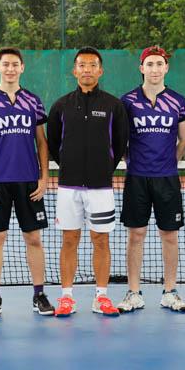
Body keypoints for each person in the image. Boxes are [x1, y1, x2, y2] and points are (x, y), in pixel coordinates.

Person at [0, 47, 55, 318]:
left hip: (29, 182)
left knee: (34, 238)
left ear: (22, 68)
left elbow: (42, 143)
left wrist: (44, 177)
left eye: (15, 64)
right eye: (5, 64)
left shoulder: (33, 101)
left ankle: (39, 294)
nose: (10, 69)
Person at [47, 46, 129, 317]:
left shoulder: (113, 105)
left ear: (100, 70)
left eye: (92, 65)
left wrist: (103, 168)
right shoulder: (60, 106)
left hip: (101, 188)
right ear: (74, 70)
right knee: (69, 240)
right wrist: (70, 166)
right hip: (68, 187)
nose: (87, 70)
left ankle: (102, 297)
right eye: (82, 65)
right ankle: (67, 297)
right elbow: (54, 144)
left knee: (100, 240)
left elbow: (119, 145)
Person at [117, 46, 185, 313]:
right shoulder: (127, 102)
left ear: (166, 68)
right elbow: (120, 139)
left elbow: (184, 139)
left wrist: (172, 160)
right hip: (136, 178)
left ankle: (169, 291)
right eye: (150, 64)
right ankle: (133, 293)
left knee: (169, 235)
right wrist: (129, 159)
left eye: (159, 64)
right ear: (141, 68)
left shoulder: (178, 101)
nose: (155, 69)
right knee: (135, 235)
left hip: (167, 178)